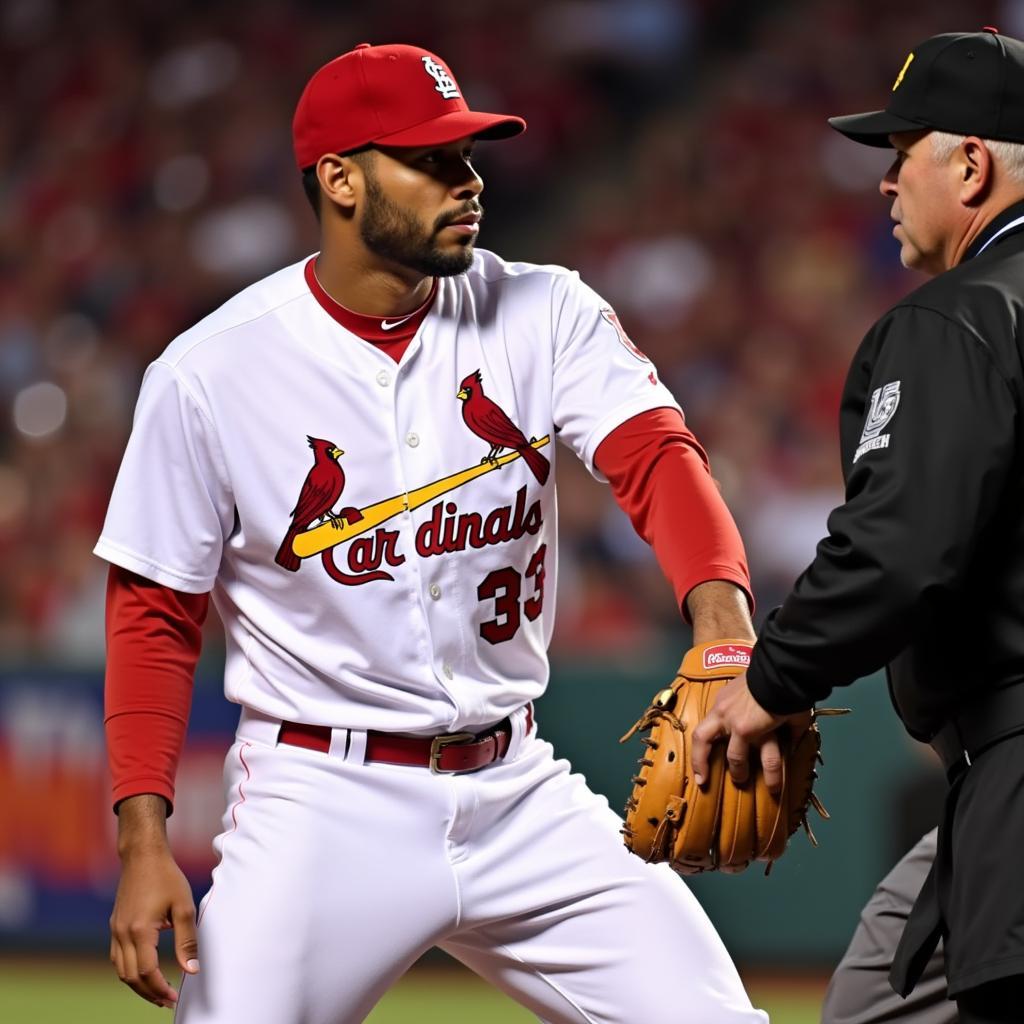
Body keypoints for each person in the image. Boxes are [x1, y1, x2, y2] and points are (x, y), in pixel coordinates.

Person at [97, 42, 769, 1023]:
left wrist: (722, 623)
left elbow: (656, 456)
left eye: (469, 155)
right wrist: (142, 841)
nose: (468, 181)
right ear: (339, 181)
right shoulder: (210, 372)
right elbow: (153, 613)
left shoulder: (544, 310)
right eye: (432, 161)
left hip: (516, 786)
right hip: (323, 799)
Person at [689, 27, 1024, 1024]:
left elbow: (898, 542)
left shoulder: (957, 318)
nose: (882, 184)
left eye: (899, 151)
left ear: (968, 164)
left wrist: (769, 676)